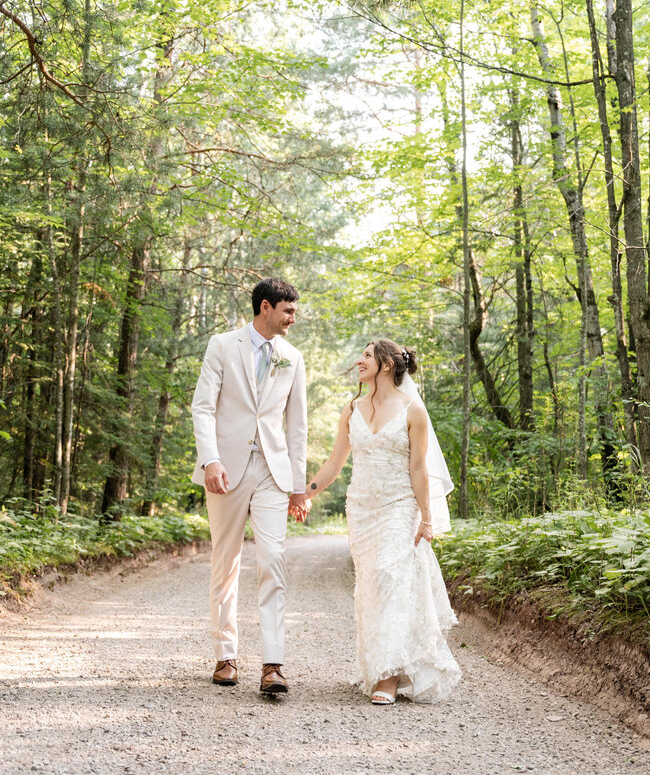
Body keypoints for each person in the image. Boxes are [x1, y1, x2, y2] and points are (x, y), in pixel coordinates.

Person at [304, 339, 461, 704]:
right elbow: (334, 464)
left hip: (399, 506)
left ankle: (388, 678)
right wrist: (305, 493)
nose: (358, 360)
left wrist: (426, 517)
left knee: (391, 576)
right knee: (372, 586)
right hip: (361, 510)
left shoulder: (412, 410)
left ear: (386, 364)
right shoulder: (351, 409)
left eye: (366, 355)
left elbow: (419, 467)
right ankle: (380, 664)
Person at [190, 278, 309, 695]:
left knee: (273, 558)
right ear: (265, 307)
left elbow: (297, 426)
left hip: (273, 471)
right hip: (226, 470)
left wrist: (299, 487)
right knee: (226, 563)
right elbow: (203, 407)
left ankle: (273, 664)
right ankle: (226, 655)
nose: (293, 318)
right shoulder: (222, 346)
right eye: (288, 311)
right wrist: (211, 460)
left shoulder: (293, 357)